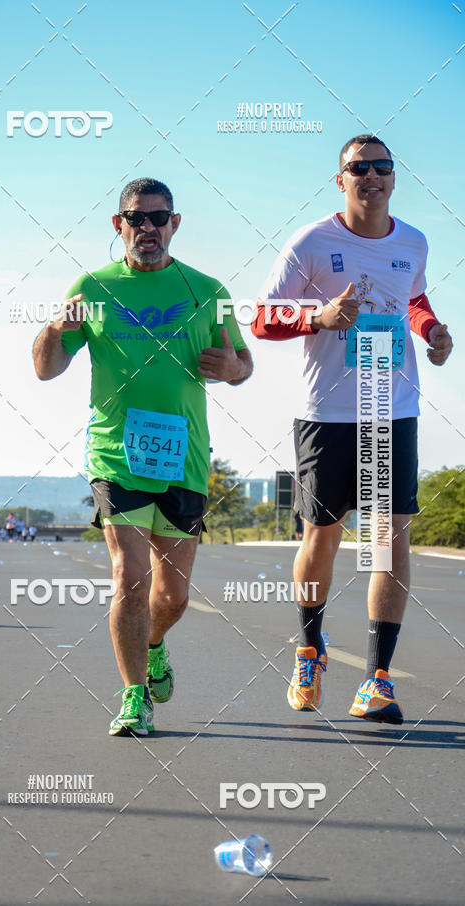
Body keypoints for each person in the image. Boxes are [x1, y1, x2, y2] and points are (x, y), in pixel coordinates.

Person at [33, 177, 253, 736]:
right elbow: (45, 367)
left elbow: (244, 362)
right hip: (116, 454)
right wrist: (56, 329)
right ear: (119, 225)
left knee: (172, 595)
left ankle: (155, 645)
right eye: (136, 218)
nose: (147, 228)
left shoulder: (208, 289)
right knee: (129, 577)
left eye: (159, 218)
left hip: (184, 459)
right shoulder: (93, 286)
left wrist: (234, 370)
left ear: (174, 223)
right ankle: (134, 697)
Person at [252, 135, 453, 725]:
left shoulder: (413, 240)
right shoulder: (311, 242)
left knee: (390, 539)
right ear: (339, 179)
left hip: (392, 409)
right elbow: (263, 318)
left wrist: (432, 330)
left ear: (394, 177)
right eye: (358, 167)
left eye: (382, 166)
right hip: (328, 415)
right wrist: (317, 316)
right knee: (324, 538)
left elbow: (411, 296)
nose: (372, 175)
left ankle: (377, 679)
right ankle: (310, 649)